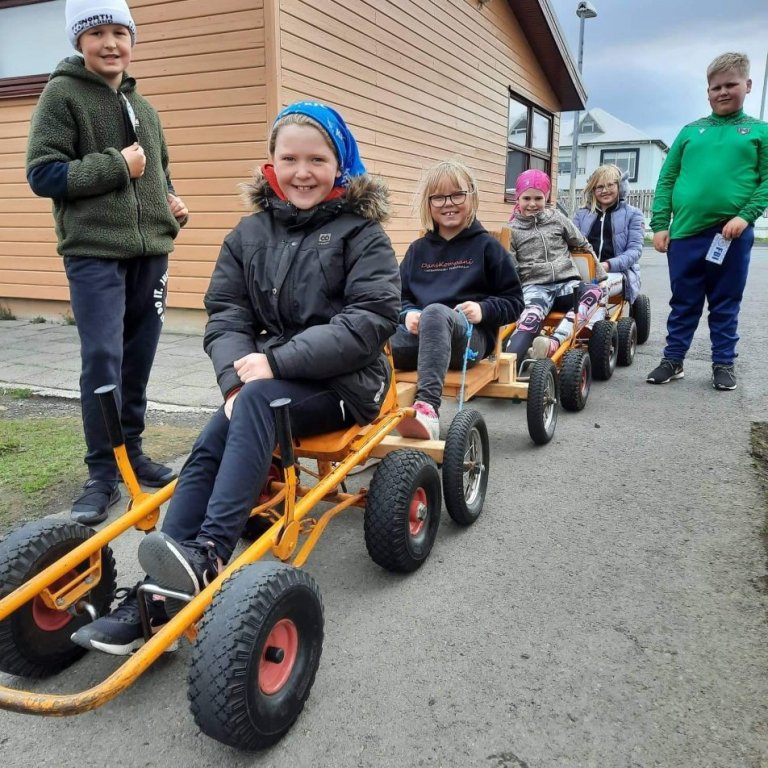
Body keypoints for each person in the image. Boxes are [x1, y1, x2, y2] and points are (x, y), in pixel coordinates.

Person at [70, 101, 401, 655]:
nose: (301, 172)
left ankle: (209, 554)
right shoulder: (248, 234)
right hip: (266, 382)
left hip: (347, 385)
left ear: (340, 164)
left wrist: (276, 363)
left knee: (254, 405)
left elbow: (369, 320)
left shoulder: (362, 235)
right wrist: (234, 380)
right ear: (271, 163)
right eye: (289, 159)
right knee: (213, 436)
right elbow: (226, 314)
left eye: (316, 160)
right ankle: (160, 583)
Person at [26, 0, 189, 525]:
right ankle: (101, 471)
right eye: (96, 32)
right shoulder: (61, 95)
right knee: (103, 359)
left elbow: (159, 174)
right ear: (79, 41)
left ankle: (131, 453)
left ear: (132, 39)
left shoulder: (146, 108)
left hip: (150, 254)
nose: (111, 43)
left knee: (138, 357)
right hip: (94, 254)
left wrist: (171, 206)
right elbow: (44, 174)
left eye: (120, 31)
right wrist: (116, 164)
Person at [647, 52, 768, 391]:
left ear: (748, 85)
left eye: (731, 85)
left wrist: (745, 216)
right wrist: (660, 224)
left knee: (725, 302)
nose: (723, 92)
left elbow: (766, 181)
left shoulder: (759, 132)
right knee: (683, 302)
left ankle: (723, 363)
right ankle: (673, 360)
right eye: (716, 87)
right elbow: (667, 179)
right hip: (685, 235)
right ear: (708, 91)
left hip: (731, 236)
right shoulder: (690, 132)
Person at [391, 160, 524, 440]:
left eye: (457, 195)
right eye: (438, 197)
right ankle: (361, 412)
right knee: (369, 334)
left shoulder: (487, 247)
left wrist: (483, 309)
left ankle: (427, 409)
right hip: (420, 339)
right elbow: (398, 298)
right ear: (428, 203)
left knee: (436, 312)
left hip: (467, 342)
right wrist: (408, 314)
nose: (448, 203)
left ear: (471, 197)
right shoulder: (417, 251)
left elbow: (514, 302)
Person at [504, 170, 606, 368]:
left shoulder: (557, 219)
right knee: (529, 321)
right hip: (535, 288)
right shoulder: (511, 230)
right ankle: (508, 365)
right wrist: (512, 295)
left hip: (566, 285)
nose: (532, 204)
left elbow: (583, 244)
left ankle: (554, 342)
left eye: (538, 198)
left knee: (594, 292)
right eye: (526, 198)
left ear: (547, 198)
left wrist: (600, 276)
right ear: (518, 198)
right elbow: (511, 267)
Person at [573, 164, 645, 317]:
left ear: (620, 186)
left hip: (616, 272)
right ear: (593, 190)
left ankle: (592, 325)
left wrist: (607, 265)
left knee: (599, 288)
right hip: (584, 272)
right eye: (599, 187)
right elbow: (570, 245)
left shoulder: (633, 215)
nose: (605, 190)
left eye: (610, 185)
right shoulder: (581, 215)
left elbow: (634, 251)